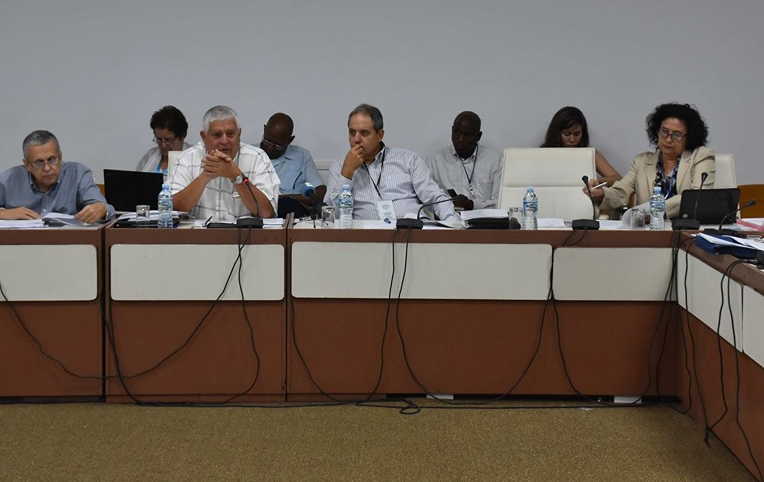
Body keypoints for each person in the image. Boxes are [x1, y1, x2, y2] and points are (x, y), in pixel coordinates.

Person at [325, 103, 457, 222]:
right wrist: (346, 174)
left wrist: (453, 222)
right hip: (365, 239)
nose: (356, 139)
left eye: (364, 133)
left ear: (380, 135)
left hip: (411, 234)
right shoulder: (339, 167)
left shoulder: (408, 160)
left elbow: (435, 197)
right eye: (352, 132)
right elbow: (331, 216)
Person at [584, 103, 714, 219]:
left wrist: (648, 210)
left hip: (687, 230)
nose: (668, 139)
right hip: (650, 231)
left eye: (677, 135)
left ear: (689, 137)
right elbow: (621, 192)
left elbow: (697, 197)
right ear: (656, 131)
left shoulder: (700, 156)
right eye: (664, 132)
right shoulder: (642, 161)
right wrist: (601, 194)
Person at [169, 105, 279, 219]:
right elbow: (173, 209)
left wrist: (237, 176)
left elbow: (267, 214)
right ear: (204, 136)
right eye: (217, 135)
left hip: (244, 235)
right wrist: (205, 176)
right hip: (197, 235)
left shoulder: (258, 158)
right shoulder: (187, 158)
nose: (224, 140)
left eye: (230, 134)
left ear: (239, 134)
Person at [0, 130, 113, 222]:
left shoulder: (78, 173)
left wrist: (101, 209)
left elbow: (106, 208)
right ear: (27, 165)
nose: (47, 168)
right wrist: (4, 213)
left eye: (52, 159)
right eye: (39, 162)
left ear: (60, 157)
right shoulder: (8, 179)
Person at [427, 111, 502, 210]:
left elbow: (501, 201)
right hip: (449, 220)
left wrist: (472, 205)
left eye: (466, 135)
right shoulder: (436, 160)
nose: (460, 139)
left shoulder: (494, 160)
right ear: (452, 130)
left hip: (483, 221)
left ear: (478, 136)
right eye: (456, 132)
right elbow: (428, 199)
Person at [259, 112, 325, 217]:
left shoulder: (302, 156)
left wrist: (311, 197)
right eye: (267, 141)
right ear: (264, 129)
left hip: (292, 215)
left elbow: (319, 189)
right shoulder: (251, 155)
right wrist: (289, 197)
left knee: (289, 205)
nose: (270, 148)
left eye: (277, 145)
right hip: (259, 213)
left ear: (290, 140)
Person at [542, 106, 621, 186]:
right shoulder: (542, 154)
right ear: (557, 133)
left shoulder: (590, 154)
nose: (572, 139)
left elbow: (617, 178)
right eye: (567, 134)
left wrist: (596, 182)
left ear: (583, 133)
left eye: (577, 134)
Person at [136, 105, 191, 176]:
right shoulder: (149, 156)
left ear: (182, 136)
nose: (163, 145)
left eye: (168, 140)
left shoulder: (196, 159)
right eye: (159, 139)